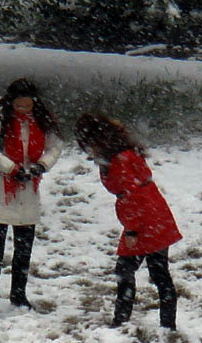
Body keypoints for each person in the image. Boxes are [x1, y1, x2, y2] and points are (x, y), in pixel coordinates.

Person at [74, 112, 182, 331]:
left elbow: (131, 196)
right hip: (156, 216)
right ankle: (167, 324)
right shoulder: (124, 153)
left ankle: (122, 319)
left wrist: (132, 230)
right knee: (159, 272)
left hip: (143, 221)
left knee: (126, 270)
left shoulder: (118, 160)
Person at [0, 78, 63, 320]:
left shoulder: (42, 118)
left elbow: (56, 146)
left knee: (23, 250)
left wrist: (41, 166)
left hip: (28, 191)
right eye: (20, 106)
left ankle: (18, 295)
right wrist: (11, 168)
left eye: (28, 106)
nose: (25, 110)